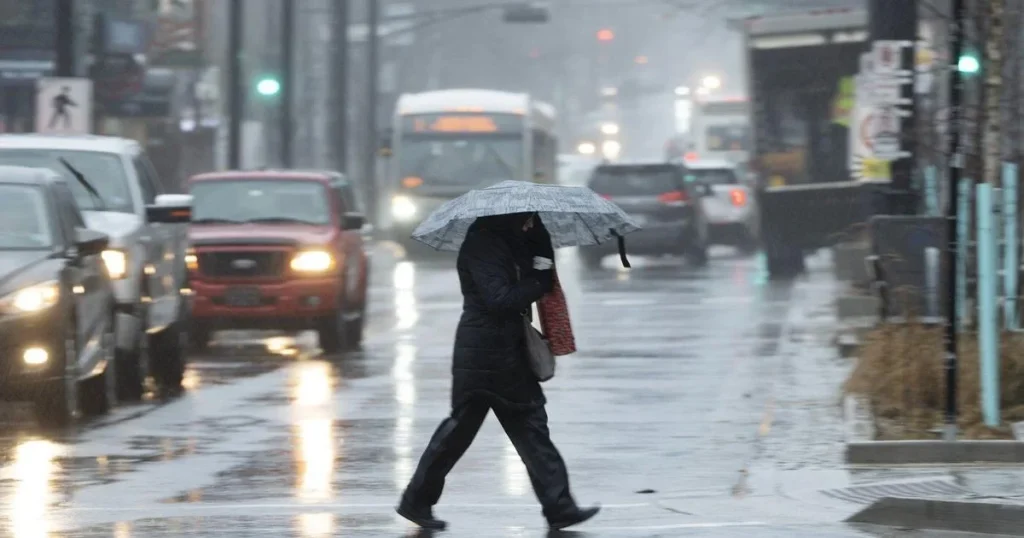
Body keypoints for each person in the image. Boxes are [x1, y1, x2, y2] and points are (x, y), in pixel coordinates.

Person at [396, 212, 599, 531]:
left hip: (504, 352)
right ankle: (416, 500)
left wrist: (540, 252)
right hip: (485, 353)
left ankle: (560, 507)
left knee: (522, 429)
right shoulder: (483, 245)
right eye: (529, 218)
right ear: (510, 215)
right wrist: (538, 277)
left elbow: (525, 282)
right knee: (490, 429)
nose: (533, 223)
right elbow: (500, 299)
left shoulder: (510, 239)